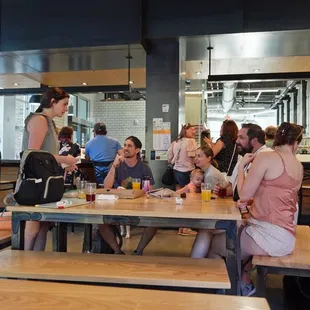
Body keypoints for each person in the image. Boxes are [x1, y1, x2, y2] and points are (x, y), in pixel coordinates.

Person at [207, 122, 304, 296]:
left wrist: (243, 165)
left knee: (217, 244)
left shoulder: (267, 158)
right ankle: (242, 280)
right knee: (233, 233)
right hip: (286, 235)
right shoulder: (298, 166)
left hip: (270, 236)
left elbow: (243, 194)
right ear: (295, 143)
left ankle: (232, 291)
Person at [190, 124, 271, 263]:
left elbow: (252, 194)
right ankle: (198, 274)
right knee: (206, 229)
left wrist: (244, 201)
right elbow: (234, 187)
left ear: (254, 141)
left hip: (255, 220)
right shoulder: (244, 157)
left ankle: (200, 274)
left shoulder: (265, 158)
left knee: (209, 233)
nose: (236, 141)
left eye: (241, 137)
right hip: (242, 213)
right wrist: (224, 191)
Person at [22, 87, 79, 251]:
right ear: (52, 102)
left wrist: (63, 163)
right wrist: (64, 159)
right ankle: (25, 262)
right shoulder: (39, 120)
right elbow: (33, 155)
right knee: (34, 222)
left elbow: (47, 155)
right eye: (64, 104)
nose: (66, 108)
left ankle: (37, 262)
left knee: (43, 223)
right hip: (35, 181)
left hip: (45, 180)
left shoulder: (49, 122)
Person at [101, 136, 156, 255]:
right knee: (100, 223)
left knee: (154, 223)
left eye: (129, 146)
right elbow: (106, 186)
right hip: (117, 206)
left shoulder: (144, 168)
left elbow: (150, 191)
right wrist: (114, 166)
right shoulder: (117, 165)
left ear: (137, 150)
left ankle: (139, 250)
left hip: (138, 207)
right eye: (124, 145)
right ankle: (117, 250)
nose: (125, 148)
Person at [168, 123, 198, 190]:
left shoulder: (175, 142)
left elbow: (169, 159)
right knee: (188, 192)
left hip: (176, 170)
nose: (194, 132)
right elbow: (194, 158)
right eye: (192, 130)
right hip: (188, 171)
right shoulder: (191, 141)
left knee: (178, 191)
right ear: (185, 131)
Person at [176, 168, 204, 236]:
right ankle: (186, 230)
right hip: (182, 201)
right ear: (191, 179)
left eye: (201, 180)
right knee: (188, 216)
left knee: (186, 216)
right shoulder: (191, 185)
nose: (200, 182)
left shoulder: (195, 185)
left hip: (184, 202)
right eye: (197, 179)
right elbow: (193, 195)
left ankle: (182, 229)